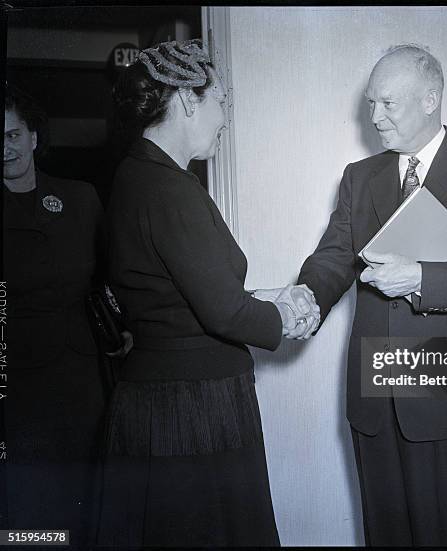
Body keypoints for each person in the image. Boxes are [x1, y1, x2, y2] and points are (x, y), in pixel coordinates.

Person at [296, 44, 447, 546]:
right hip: (372, 402)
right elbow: (334, 256)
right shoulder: (360, 177)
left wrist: (424, 277)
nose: (375, 118)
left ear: (431, 99)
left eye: (388, 104)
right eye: (370, 104)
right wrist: (304, 300)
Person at [96, 39, 318, 548]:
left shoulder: (140, 176)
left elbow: (176, 296)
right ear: (186, 100)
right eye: (222, 100)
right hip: (191, 407)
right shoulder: (170, 188)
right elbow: (222, 312)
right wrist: (286, 317)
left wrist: (267, 297)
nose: (226, 117)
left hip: (161, 395)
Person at [3, 84, 107, 548]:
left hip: (82, 372)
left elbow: (108, 276)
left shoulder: (79, 198)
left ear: (33, 138)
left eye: (13, 135)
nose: (6, 148)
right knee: (29, 500)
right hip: (18, 382)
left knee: (86, 490)